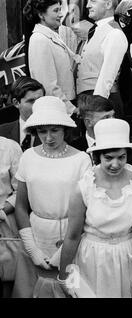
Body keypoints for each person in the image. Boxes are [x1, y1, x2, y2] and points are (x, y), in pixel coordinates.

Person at [58, 118, 132, 298]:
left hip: (127, 258)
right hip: (92, 259)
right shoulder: (83, 187)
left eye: (121, 157)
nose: (115, 164)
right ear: (97, 155)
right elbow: (73, 236)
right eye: (108, 158)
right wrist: (64, 277)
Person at [13, 96, 91, 298]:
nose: (48, 137)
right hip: (36, 234)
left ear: (65, 129)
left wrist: (64, 252)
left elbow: (86, 211)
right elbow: (21, 205)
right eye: (42, 131)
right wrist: (32, 248)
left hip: (72, 236)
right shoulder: (28, 157)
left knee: (71, 290)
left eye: (54, 130)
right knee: (31, 291)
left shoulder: (82, 160)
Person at [23, 0, 78, 115]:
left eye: (60, 9)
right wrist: (71, 109)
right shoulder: (40, 39)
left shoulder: (51, 35)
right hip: (57, 109)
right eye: (56, 10)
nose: (61, 14)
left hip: (65, 103)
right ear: (41, 15)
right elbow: (48, 85)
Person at [76, 0, 128, 119]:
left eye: (93, 1)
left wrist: (95, 108)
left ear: (108, 4)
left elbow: (107, 76)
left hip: (102, 103)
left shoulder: (114, 33)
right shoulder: (97, 29)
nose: (88, 5)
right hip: (90, 100)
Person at [0, 137, 22, 297]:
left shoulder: (10, 147)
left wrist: (2, 210)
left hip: (4, 225)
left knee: (7, 277)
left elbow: (20, 190)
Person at [0, 77, 44, 148]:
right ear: (16, 103)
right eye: (31, 101)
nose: (37, 105)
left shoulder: (55, 131)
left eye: (40, 100)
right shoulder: (2, 132)